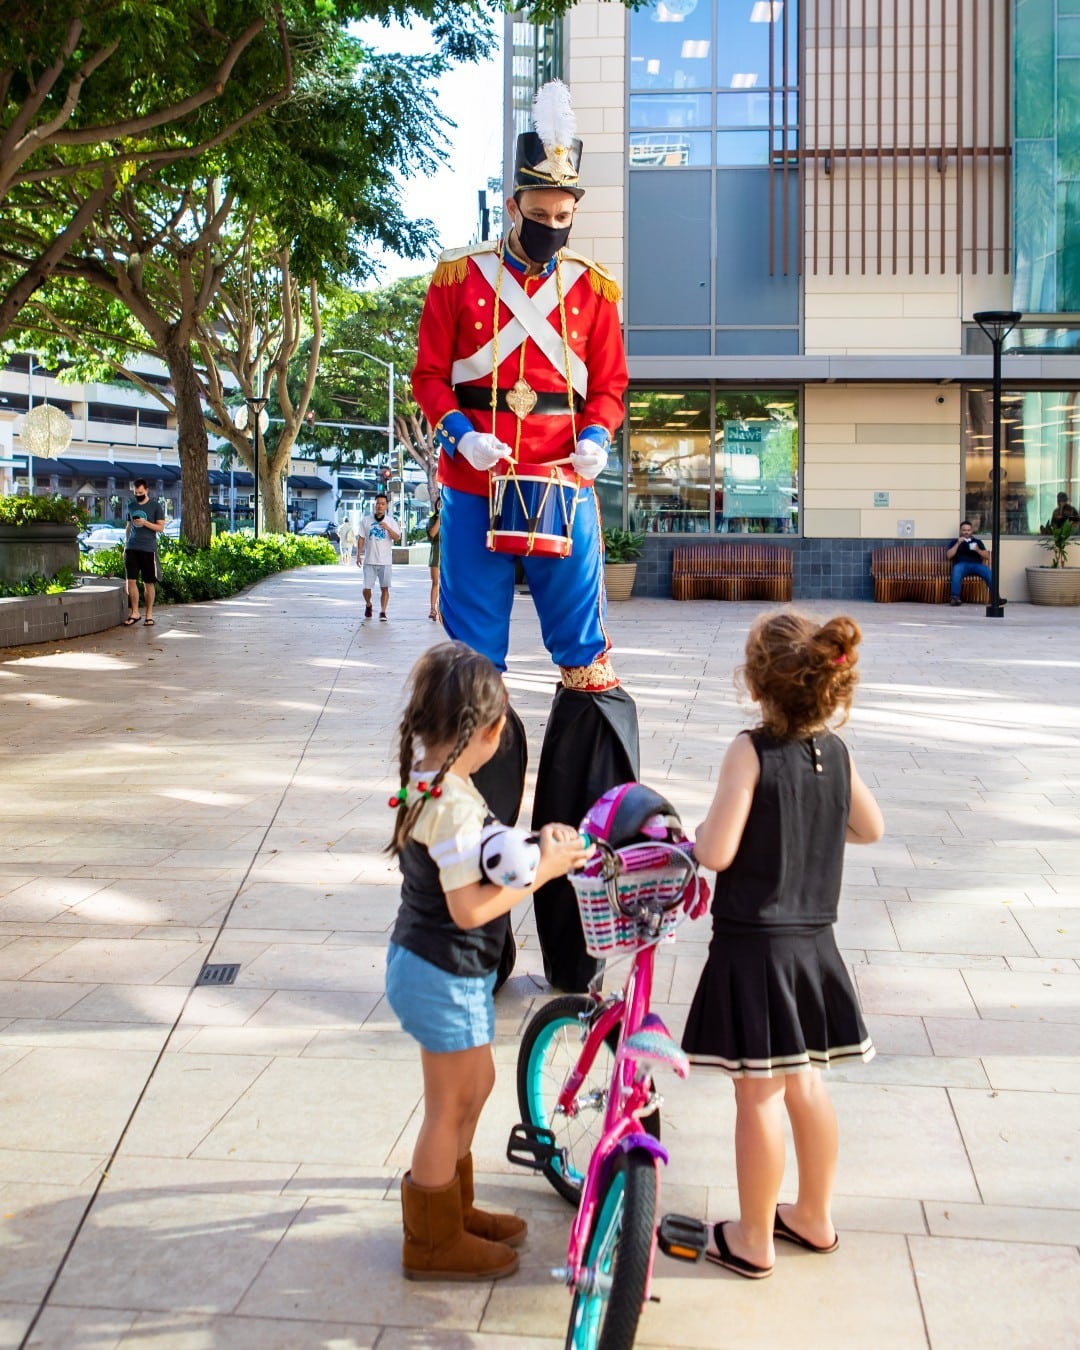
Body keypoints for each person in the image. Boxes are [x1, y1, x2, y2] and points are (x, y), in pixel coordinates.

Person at [412, 79, 637, 992]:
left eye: (563, 213)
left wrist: (594, 440)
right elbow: (431, 375)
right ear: (511, 203)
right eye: (539, 211)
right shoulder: (457, 280)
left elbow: (613, 387)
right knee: (474, 670)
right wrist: (457, 430)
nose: (552, 224)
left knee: (587, 662)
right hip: (475, 488)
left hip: (562, 493)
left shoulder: (595, 292)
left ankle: (577, 910)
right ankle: (474, 922)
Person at [682, 611, 885, 1281]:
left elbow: (717, 850)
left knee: (758, 1096)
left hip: (756, 947)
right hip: (814, 946)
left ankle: (754, 1238)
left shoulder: (750, 750)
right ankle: (814, 1217)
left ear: (757, 684)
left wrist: (697, 829)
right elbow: (870, 827)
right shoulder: (836, 751)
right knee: (808, 1085)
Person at [385, 642, 593, 1281]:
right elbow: (472, 909)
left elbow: (480, 858)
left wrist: (535, 846)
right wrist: (546, 874)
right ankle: (430, 1241)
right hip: (438, 969)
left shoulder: (441, 781)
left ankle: (453, 1208)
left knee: (473, 1089)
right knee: (449, 1105)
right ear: (493, 730)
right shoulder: (448, 800)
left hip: (448, 970)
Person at [122, 478, 165, 626]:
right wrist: (125, 546)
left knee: (148, 583)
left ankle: (149, 614)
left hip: (148, 549)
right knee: (131, 581)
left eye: (140, 492)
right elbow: (128, 527)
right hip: (132, 548)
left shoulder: (155, 507)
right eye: (136, 492)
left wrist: (145, 523)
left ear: (146, 490)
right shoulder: (131, 506)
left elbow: (160, 528)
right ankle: (134, 612)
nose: (138, 494)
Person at [356, 493, 400, 621]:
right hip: (369, 560)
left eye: (382, 504)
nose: (379, 506)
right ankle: (369, 604)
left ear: (386, 506)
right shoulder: (366, 520)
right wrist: (358, 555)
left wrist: (388, 528)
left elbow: (397, 537)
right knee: (366, 588)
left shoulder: (391, 521)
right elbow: (361, 538)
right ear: (374, 505)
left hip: (385, 561)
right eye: (378, 503)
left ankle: (383, 611)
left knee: (384, 588)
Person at [945, 520, 997, 606]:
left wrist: (978, 550)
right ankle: (955, 598)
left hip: (977, 565)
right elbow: (949, 555)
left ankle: (996, 598)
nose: (966, 532)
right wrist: (958, 544)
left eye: (968, 530)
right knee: (957, 569)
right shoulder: (955, 541)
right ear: (960, 531)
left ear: (972, 531)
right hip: (962, 565)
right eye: (964, 530)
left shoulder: (977, 541)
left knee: (988, 571)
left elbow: (987, 556)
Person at [426, 495, 441, 621]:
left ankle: (443, 609)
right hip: (436, 554)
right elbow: (432, 533)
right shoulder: (433, 519)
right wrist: (440, 517)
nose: (441, 506)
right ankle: (433, 609)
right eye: (439, 504)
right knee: (435, 582)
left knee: (447, 584)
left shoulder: (453, 519)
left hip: (449, 555)